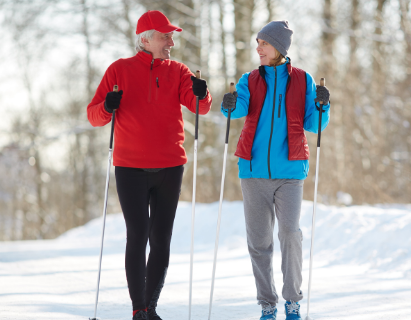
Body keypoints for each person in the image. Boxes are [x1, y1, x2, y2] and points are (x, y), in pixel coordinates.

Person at [87, 10, 212, 320]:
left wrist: (202, 93)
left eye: (172, 35)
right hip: (130, 167)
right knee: (138, 234)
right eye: (165, 35)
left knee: (161, 238)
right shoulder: (119, 70)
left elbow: (200, 107)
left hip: (171, 166)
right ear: (146, 39)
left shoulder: (179, 70)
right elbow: (93, 115)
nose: (171, 40)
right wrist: (107, 106)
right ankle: (138, 308)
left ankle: (151, 308)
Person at [221, 20, 330, 320]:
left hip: (290, 172)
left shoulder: (303, 80)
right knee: (259, 242)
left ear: (279, 48)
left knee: (290, 234)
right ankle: (267, 304)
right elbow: (237, 108)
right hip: (253, 171)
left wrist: (323, 106)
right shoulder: (250, 79)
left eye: (264, 44)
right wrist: (229, 104)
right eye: (258, 43)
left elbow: (314, 124)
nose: (258, 48)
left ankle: (292, 300)